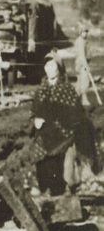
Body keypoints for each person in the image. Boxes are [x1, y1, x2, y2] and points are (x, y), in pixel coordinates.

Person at [32, 53, 98, 197]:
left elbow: (75, 115)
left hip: (64, 135)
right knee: (40, 155)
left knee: (61, 162)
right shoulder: (40, 90)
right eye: (46, 65)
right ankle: (46, 191)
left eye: (52, 65)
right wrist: (36, 120)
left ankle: (62, 192)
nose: (49, 69)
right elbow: (35, 112)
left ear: (59, 68)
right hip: (45, 134)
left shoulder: (67, 90)